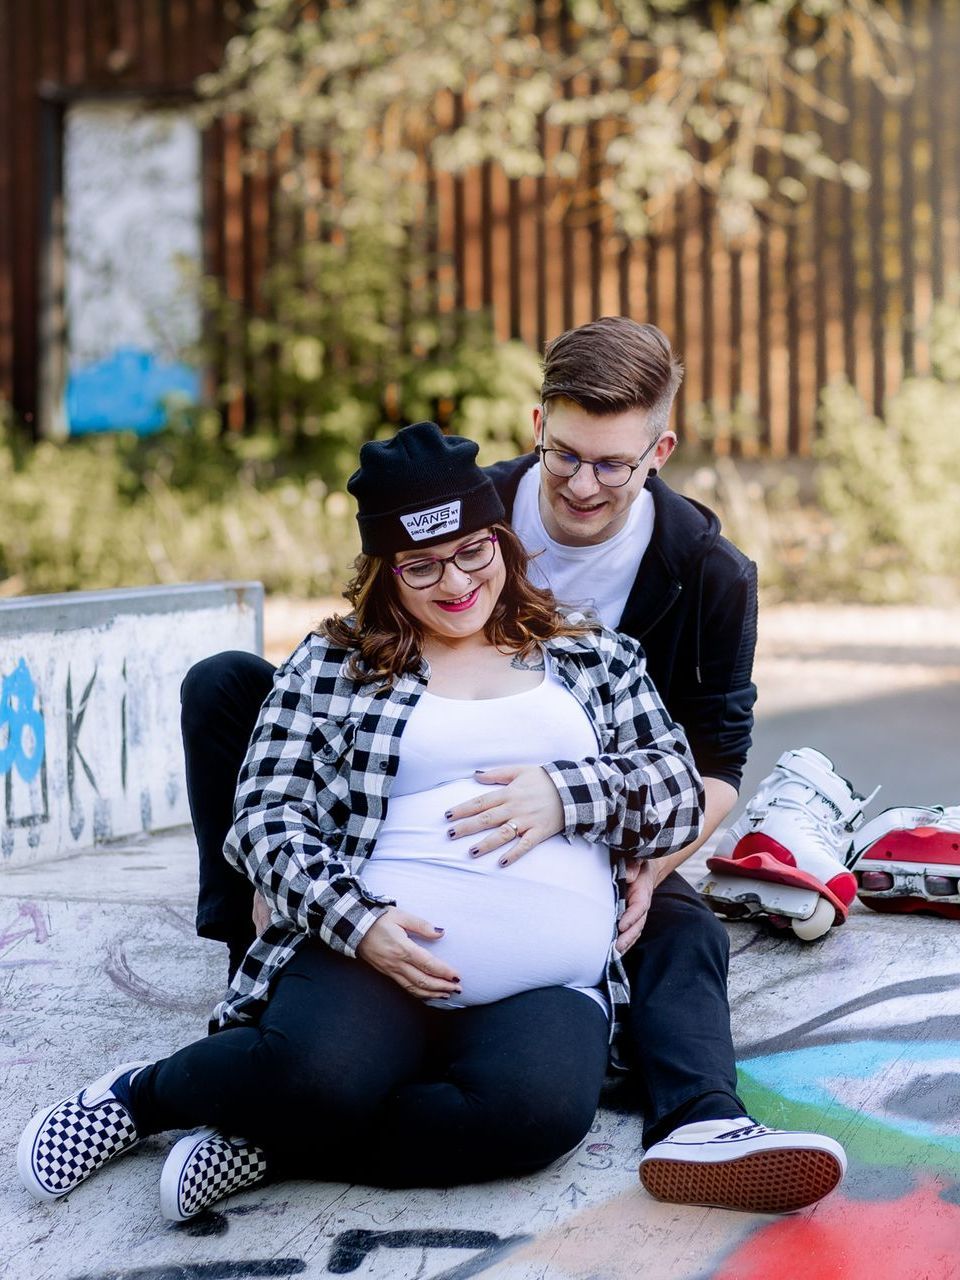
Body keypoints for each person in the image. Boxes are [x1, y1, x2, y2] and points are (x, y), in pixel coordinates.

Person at [179, 317, 848, 1213]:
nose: (582, 483)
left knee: (682, 931)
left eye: (613, 463)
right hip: (406, 791)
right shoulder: (464, 505)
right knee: (227, 684)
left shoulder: (709, 570)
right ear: (537, 422)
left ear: (661, 449)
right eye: (564, 453)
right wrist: (293, 877)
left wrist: (649, 866)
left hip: (595, 810)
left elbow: (710, 759)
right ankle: (258, 980)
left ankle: (700, 1119)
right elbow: (372, 629)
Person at [18, 421, 709, 1221]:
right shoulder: (334, 664)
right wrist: (361, 923)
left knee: (536, 1119)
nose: (456, 583)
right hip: (370, 959)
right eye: (422, 566)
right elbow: (264, 820)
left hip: (545, 986)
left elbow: (677, 790)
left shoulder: (592, 654)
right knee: (312, 1073)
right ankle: (142, 1096)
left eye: (473, 552)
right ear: (384, 572)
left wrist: (565, 795)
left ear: (502, 543)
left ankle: (276, 1146)